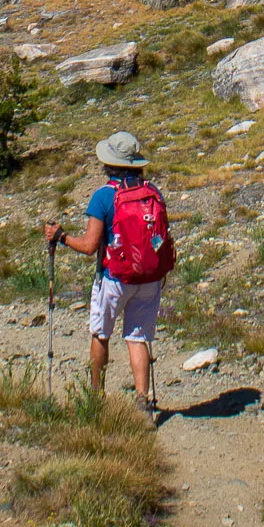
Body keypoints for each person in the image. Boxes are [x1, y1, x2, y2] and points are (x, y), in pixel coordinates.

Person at [45, 129, 175, 421]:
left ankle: (95, 396)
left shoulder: (104, 196)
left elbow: (90, 246)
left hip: (114, 278)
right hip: (150, 278)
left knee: (101, 334)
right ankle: (143, 403)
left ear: (109, 163)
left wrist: (61, 236)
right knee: (137, 337)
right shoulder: (153, 192)